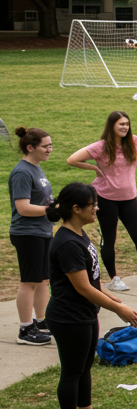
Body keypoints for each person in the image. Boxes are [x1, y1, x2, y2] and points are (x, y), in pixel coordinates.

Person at [44, 182, 137, 409]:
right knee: (72, 371)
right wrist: (118, 310)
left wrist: (118, 304)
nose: (97, 208)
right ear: (76, 208)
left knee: (85, 366)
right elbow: (83, 288)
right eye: (93, 205)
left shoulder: (78, 234)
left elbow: (95, 282)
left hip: (85, 313)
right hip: (68, 316)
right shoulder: (66, 243)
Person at [66, 111, 137, 291]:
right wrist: (93, 168)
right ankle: (114, 279)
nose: (125, 127)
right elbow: (72, 160)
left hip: (129, 199)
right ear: (112, 126)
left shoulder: (134, 142)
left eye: (127, 124)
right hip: (105, 198)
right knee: (109, 238)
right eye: (121, 124)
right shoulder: (101, 147)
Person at [10, 127, 54, 346]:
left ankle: (41, 321)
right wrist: (51, 210)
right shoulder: (22, 172)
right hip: (27, 233)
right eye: (46, 146)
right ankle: (25, 329)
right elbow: (23, 208)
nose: (50, 149)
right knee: (29, 282)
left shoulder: (37, 169)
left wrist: (53, 207)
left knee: (43, 280)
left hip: (42, 231)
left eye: (50, 145)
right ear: (31, 147)